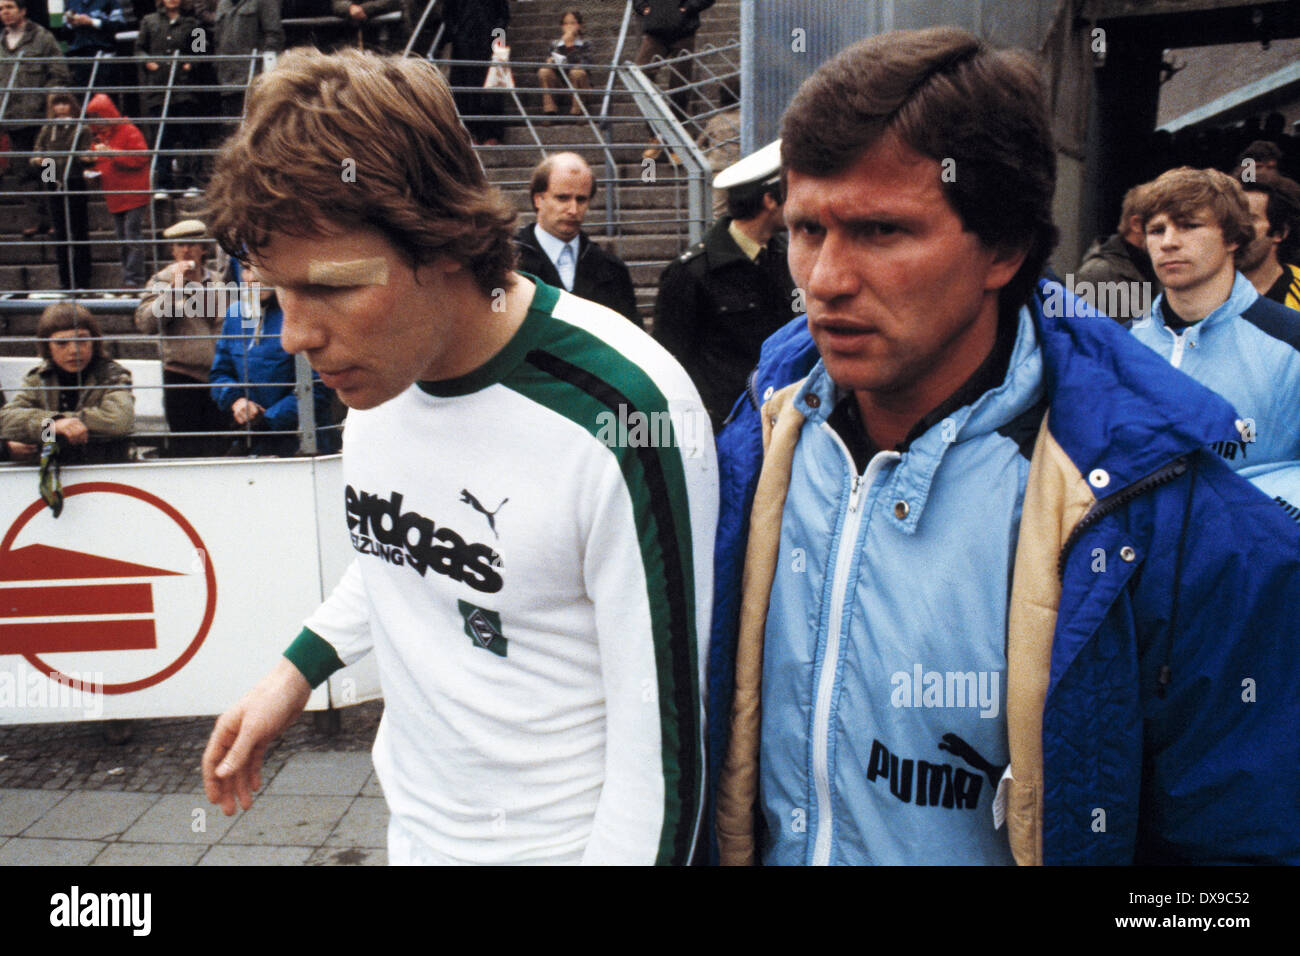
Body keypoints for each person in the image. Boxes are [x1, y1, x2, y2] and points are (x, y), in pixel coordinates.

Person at [708, 27, 1299, 866]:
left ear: (1005, 247)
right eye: (807, 231)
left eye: (881, 231)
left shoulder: (1181, 523)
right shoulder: (759, 436)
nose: (824, 280)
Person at [199, 48, 717, 865]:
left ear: (439, 242)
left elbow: (667, 753)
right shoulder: (376, 371)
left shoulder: (623, 410)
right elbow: (404, 544)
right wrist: (294, 673)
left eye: (329, 288)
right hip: (416, 837)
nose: (295, 336)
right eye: (276, 293)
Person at [1131, 166, 1300, 472]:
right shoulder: (1123, 344)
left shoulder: (1291, 340)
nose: (1168, 242)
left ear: (1233, 237)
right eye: (1157, 230)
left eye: (1189, 226)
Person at [653, 140, 796, 431]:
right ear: (770, 200)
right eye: (789, 195)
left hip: (781, 419)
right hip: (724, 428)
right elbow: (669, 364)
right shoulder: (691, 273)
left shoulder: (783, 257)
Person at [208, 258, 336, 456]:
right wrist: (237, 402)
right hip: (250, 437)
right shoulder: (235, 314)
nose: (252, 278)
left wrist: (267, 420)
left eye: (260, 268)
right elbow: (220, 373)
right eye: (246, 269)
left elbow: (320, 385)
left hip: (300, 442)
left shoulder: (304, 312)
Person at [135, 218, 233, 456]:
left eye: (191, 243)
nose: (186, 249)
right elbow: (146, 322)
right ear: (172, 250)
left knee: (221, 448)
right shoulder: (162, 280)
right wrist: (176, 289)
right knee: (187, 449)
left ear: (203, 249)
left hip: (218, 378)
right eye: (180, 244)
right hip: (182, 377)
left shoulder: (217, 282)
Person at [513, 152, 639, 324]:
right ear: (538, 199)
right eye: (562, 198)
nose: (573, 209)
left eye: (581, 200)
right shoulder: (505, 263)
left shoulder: (612, 269)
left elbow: (630, 339)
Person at [0, 303, 134, 464]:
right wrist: (53, 423)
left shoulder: (112, 375)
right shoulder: (40, 377)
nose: (74, 350)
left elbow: (119, 422)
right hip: (54, 471)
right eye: (62, 343)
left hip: (103, 467)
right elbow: (6, 420)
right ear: (47, 347)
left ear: (94, 341)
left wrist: (59, 423)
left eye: (82, 340)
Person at [0, 0, 69, 237]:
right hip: (12, 120)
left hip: (40, 120)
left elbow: (59, 73)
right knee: (22, 172)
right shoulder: (1, 42)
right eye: (0, 9)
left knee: (47, 169)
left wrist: (43, 100)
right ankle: (36, 219)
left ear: (22, 11)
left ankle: (54, 219)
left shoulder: (42, 38)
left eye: (9, 7)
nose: (5, 12)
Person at [85, 92, 150, 292]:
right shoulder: (98, 138)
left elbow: (141, 157)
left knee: (131, 236)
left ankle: (133, 278)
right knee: (123, 238)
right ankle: (130, 277)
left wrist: (113, 155)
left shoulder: (127, 131)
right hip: (113, 194)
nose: (99, 123)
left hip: (133, 192)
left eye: (101, 118)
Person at [634, 0, 715, 161]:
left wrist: (689, 7)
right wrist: (643, 7)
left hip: (683, 31)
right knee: (639, 75)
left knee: (680, 86)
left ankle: (676, 143)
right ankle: (655, 133)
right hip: (655, 30)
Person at [135, 0, 202, 197]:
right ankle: (163, 184)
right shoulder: (148, 21)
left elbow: (200, 51)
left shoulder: (193, 23)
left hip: (184, 88)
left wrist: (191, 63)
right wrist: (148, 62)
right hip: (158, 88)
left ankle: (192, 182)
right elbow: (138, 49)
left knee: (190, 135)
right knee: (162, 136)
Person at [31, 90, 92, 291]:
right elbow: (37, 153)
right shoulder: (48, 129)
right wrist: (42, 165)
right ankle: (65, 281)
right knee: (61, 233)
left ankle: (83, 281)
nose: (61, 108)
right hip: (53, 180)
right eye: (57, 104)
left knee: (79, 231)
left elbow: (84, 155)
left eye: (64, 103)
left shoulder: (80, 128)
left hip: (74, 180)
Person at [1073, 182, 1161, 322]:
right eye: (1160, 228)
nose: (1170, 238)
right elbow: (1081, 334)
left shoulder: (1159, 267)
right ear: (1136, 224)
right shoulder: (1098, 272)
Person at [441, 0, 508, 146]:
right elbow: (448, 14)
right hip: (464, 43)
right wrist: (456, 34)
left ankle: (492, 133)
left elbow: (503, 15)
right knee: (465, 90)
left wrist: (499, 42)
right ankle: (468, 133)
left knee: (492, 89)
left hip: (489, 42)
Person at [1236, 168, 1300, 309]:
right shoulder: (1194, 289)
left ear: (1280, 232)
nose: (1237, 229)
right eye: (1231, 218)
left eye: (1250, 219)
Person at [213, 0, 284, 119]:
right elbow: (217, 40)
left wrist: (266, 71)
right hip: (227, 78)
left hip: (255, 79)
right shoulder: (223, 4)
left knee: (256, 122)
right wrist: (218, 65)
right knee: (232, 126)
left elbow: (274, 36)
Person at [61, 0, 128, 91]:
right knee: (82, 95)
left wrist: (91, 22)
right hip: (79, 56)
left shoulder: (110, 2)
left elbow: (119, 27)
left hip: (103, 55)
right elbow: (63, 34)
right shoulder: (71, 2)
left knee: (104, 96)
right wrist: (71, 24)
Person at [538, 9, 591, 119]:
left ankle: (578, 111)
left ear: (580, 25)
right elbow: (551, 61)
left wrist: (570, 46)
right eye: (566, 23)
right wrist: (554, 55)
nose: (569, 27)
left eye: (573, 23)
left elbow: (585, 63)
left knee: (577, 72)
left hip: (580, 82)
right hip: (561, 81)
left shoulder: (586, 43)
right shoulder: (555, 44)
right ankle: (549, 110)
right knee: (544, 71)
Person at [329, 0, 408, 53]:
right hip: (354, 39)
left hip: (394, 36)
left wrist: (363, 10)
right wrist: (349, 8)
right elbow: (337, 3)